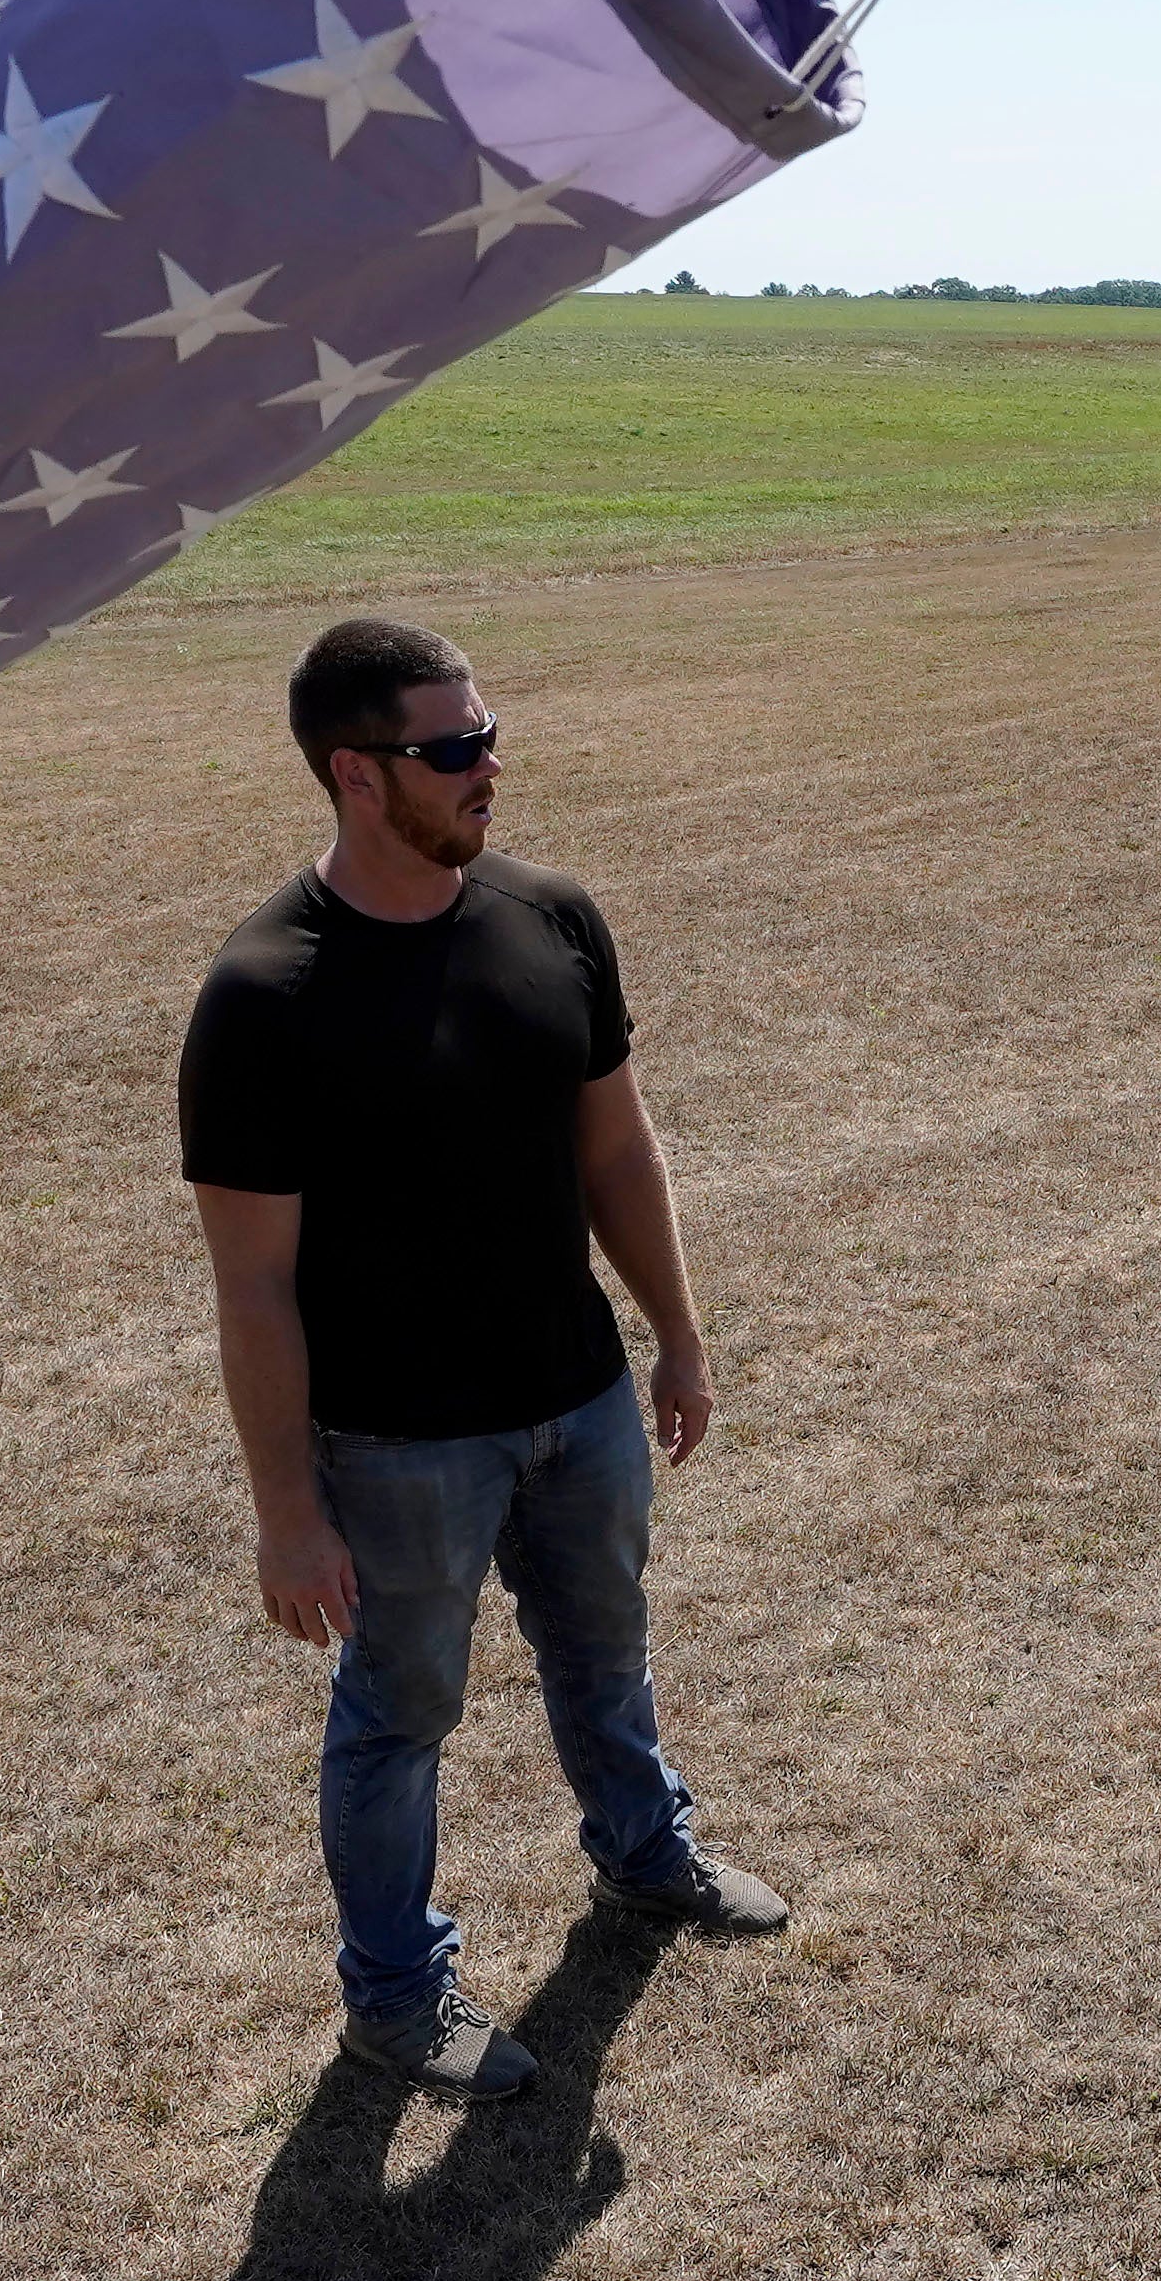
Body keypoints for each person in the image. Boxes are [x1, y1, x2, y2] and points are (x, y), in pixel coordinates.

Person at [177, 617, 790, 2099]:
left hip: (574, 1397)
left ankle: (646, 1859)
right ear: (357, 775)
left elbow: (618, 1154)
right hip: (398, 1444)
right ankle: (396, 1995)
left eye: (488, 734)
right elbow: (253, 1286)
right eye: (450, 749)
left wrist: (679, 1340)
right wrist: (287, 1512)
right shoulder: (266, 997)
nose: (488, 769)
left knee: (606, 1646)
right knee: (401, 1714)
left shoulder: (552, 918)